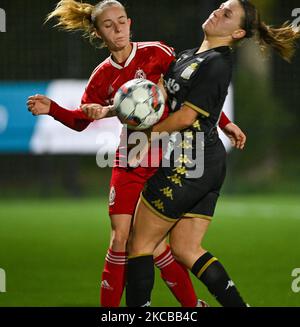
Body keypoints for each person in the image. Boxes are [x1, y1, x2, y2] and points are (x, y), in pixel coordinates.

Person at [27, 0, 246, 307]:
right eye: (108, 25)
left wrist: (225, 123)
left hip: (168, 155)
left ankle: (191, 306)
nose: (117, 29)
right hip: (131, 156)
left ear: (130, 22)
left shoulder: (157, 52)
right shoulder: (101, 76)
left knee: (152, 244)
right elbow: (80, 121)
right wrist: (54, 109)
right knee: (121, 238)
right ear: (98, 33)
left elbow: (191, 93)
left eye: (121, 22)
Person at [125, 0, 300, 307]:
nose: (218, 12)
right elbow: (162, 96)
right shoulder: (188, 56)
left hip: (188, 165)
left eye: (227, 14)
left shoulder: (217, 63)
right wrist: (115, 106)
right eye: (220, 6)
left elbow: (184, 118)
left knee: (139, 244)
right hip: (206, 164)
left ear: (237, 32)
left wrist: (144, 135)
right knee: (185, 248)